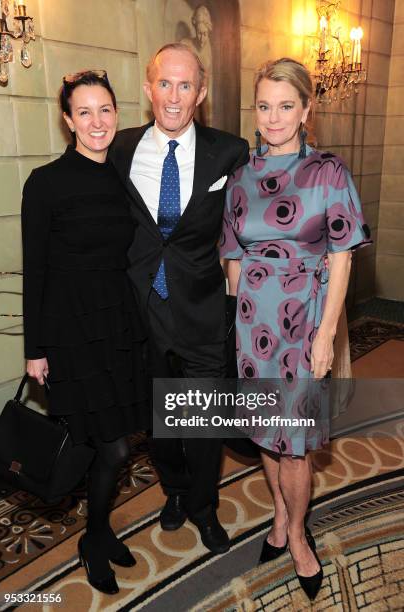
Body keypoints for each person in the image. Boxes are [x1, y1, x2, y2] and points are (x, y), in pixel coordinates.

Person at [220, 57, 371, 600]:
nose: (274, 117)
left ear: (306, 109)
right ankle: (280, 514)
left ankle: (300, 535)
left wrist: (326, 334)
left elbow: (342, 258)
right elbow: (233, 257)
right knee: (266, 430)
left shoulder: (328, 172)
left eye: (286, 106)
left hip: (305, 323)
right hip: (253, 324)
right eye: (264, 106)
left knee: (297, 445)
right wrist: (235, 321)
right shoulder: (241, 178)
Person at [109, 43, 249, 554]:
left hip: (203, 309)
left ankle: (205, 507)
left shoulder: (229, 151)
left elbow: (255, 216)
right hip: (143, 310)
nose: (173, 96)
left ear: (201, 92)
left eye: (185, 85)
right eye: (164, 84)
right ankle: (173, 491)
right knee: (161, 422)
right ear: (148, 89)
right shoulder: (120, 149)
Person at [22, 70, 148, 595]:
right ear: (69, 120)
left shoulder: (122, 175)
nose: (97, 122)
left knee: (115, 445)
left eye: (106, 110)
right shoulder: (46, 183)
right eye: (85, 112)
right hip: (73, 335)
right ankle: (93, 540)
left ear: (116, 114)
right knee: (113, 449)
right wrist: (36, 351)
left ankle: (98, 530)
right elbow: (37, 271)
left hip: (117, 326)